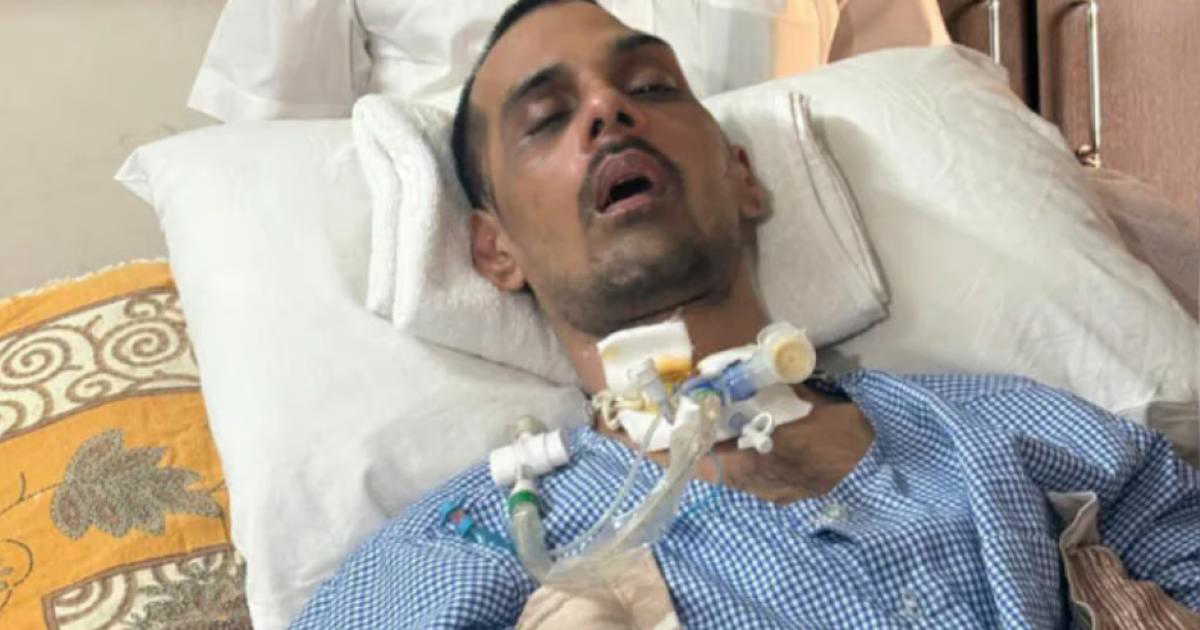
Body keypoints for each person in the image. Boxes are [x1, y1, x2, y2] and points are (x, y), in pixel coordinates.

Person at [291, 1, 1200, 627]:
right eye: (548, 117)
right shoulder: (470, 542)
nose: (608, 110)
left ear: (742, 176)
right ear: (496, 251)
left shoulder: (1006, 430)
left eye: (651, 86)